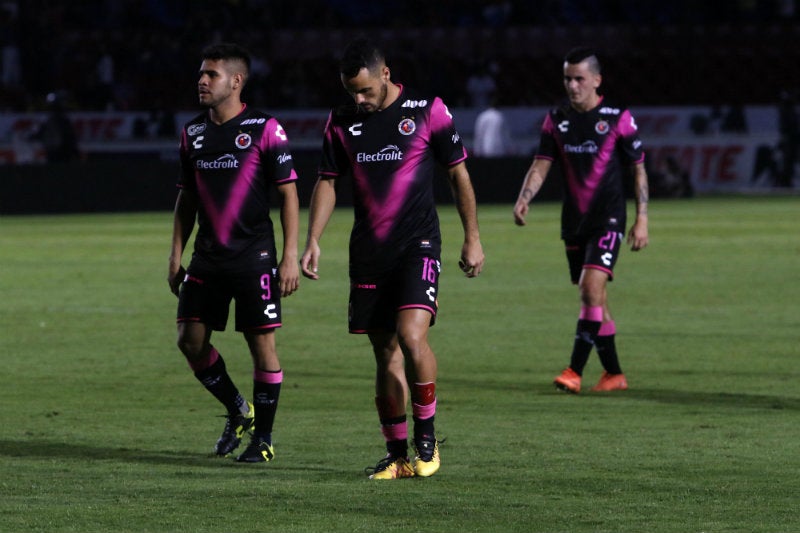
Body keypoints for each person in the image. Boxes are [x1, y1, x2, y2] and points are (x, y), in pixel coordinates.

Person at [300, 37, 485, 479]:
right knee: (385, 354)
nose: (359, 100)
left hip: (418, 245)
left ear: (386, 74)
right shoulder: (341, 120)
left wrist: (472, 237)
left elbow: (457, 173)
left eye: (365, 90)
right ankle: (397, 454)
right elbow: (328, 181)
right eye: (351, 93)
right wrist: (312, 240)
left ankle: (427, 436)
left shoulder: (427, 110)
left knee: (411, 335)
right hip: (368, 252)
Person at [167, 43, 300, 462]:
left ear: (236, 81)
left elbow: (289, 194)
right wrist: (175, 254)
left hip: (253, 256)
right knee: (189, 341)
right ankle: (238, 409)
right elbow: (186, 198)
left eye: (211, 75)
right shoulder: (192, 133)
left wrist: (290, 254)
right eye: (201, 74)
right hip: (207, 256)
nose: (201, 81)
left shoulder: (265, 128)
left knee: (261, 347)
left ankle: (263, 439)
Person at [512, 46, 649, 394]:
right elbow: (542, 163)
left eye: (579, 79)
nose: (572, 86)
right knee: (595, 299)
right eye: (567, 79)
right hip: (574, 222)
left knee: (590, 290)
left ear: (596, 80)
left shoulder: (618, 118)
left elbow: (638, 168)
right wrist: (525, 198)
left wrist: (642, 218)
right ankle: (614, 374)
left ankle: (574, 370)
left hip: (609, 219)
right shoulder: (556, 119)